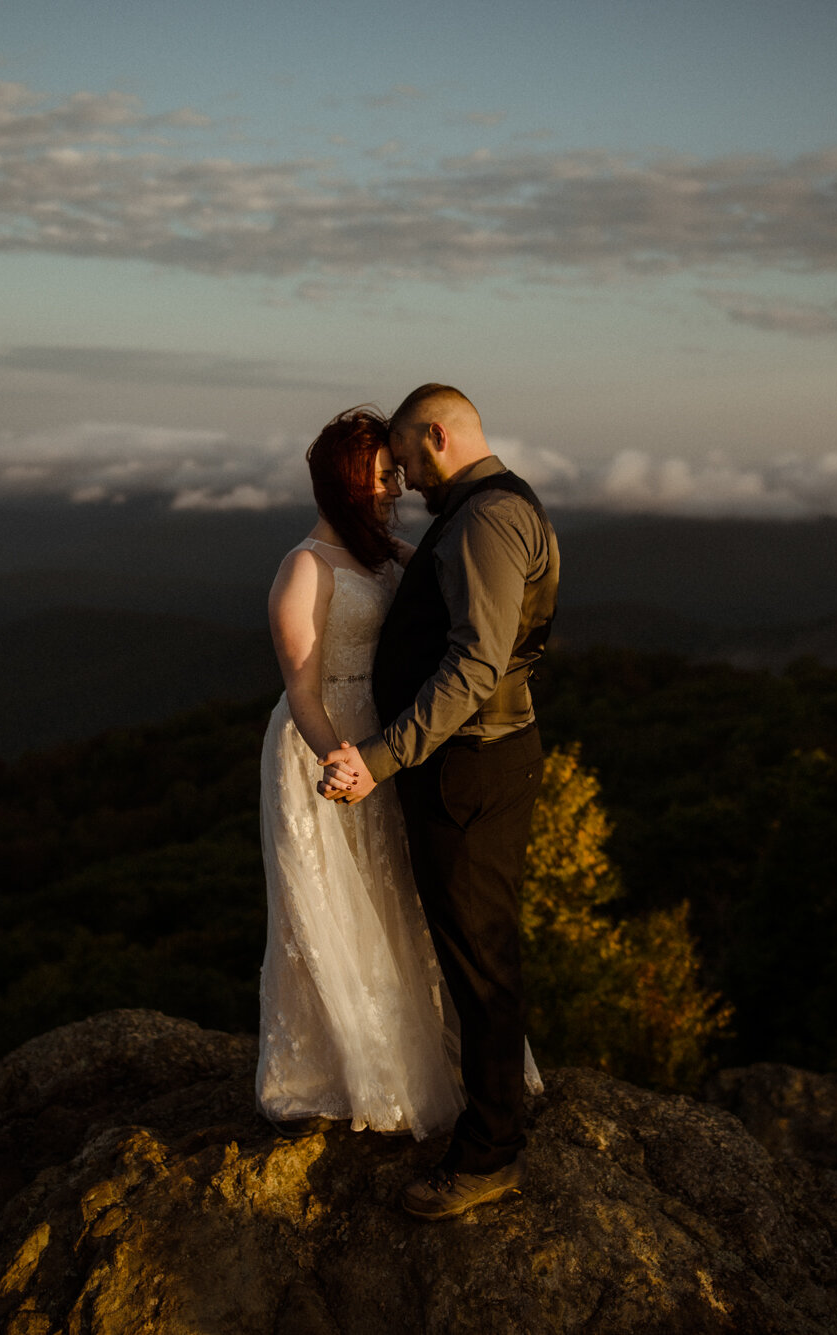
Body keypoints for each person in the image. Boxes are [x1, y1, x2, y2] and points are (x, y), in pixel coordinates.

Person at [318, 383, 561, 1221]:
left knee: (481, 961)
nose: (407, 478)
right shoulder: (499, 505)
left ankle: (490, 1154)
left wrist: (383, 757)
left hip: (469, 767)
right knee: (475, 952)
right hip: (478, 763)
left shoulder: (486, 518)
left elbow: (475, 666)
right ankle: (493, 1117)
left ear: (437, 435)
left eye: (408, 458)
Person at [257, 406, 522, 1142]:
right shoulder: (303, 567)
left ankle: (415, 1062)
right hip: (328, 746)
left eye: (392, 476)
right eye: (375, 479)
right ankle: (341, 1071)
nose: (389, 489)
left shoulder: (383, 555)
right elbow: (302, 690)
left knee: (392, 898)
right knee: (334, 903)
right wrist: (338, 761)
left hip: (383, 743)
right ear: (340, 485)